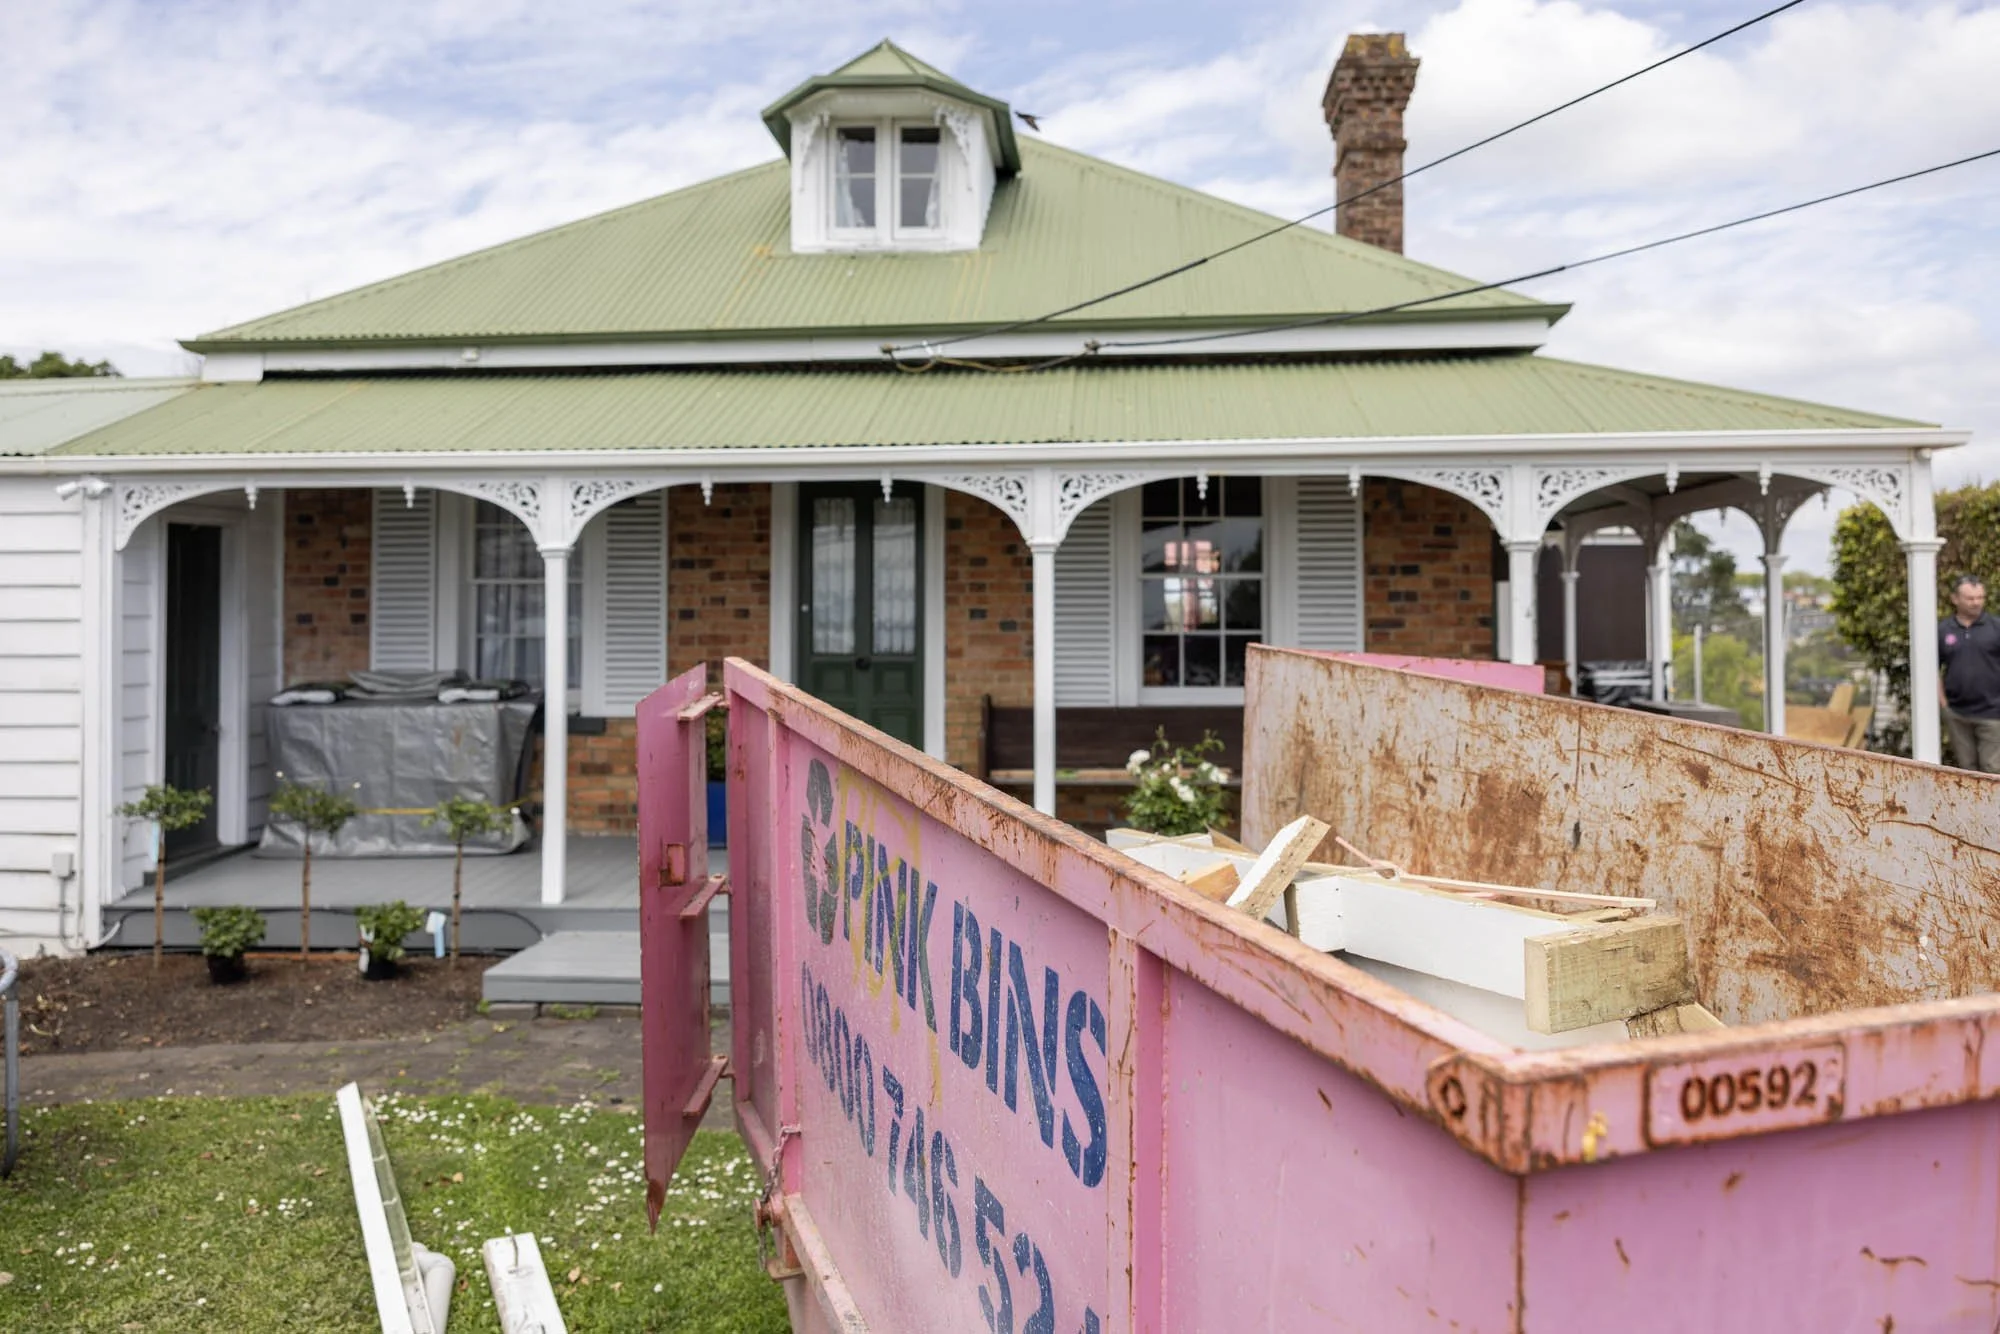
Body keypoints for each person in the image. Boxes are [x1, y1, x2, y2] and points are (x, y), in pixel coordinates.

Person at [1939, 574, 2000, 773]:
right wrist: (1944, 704)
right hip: (1957, 713)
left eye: (1980, 597)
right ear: (1955, 599)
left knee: (1992, 769)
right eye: (1970, 598)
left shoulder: (1996, 628)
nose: (1976, 602)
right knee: (1966, 770)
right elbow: (1932, 668)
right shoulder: (1943, 630)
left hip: (1992, 713)